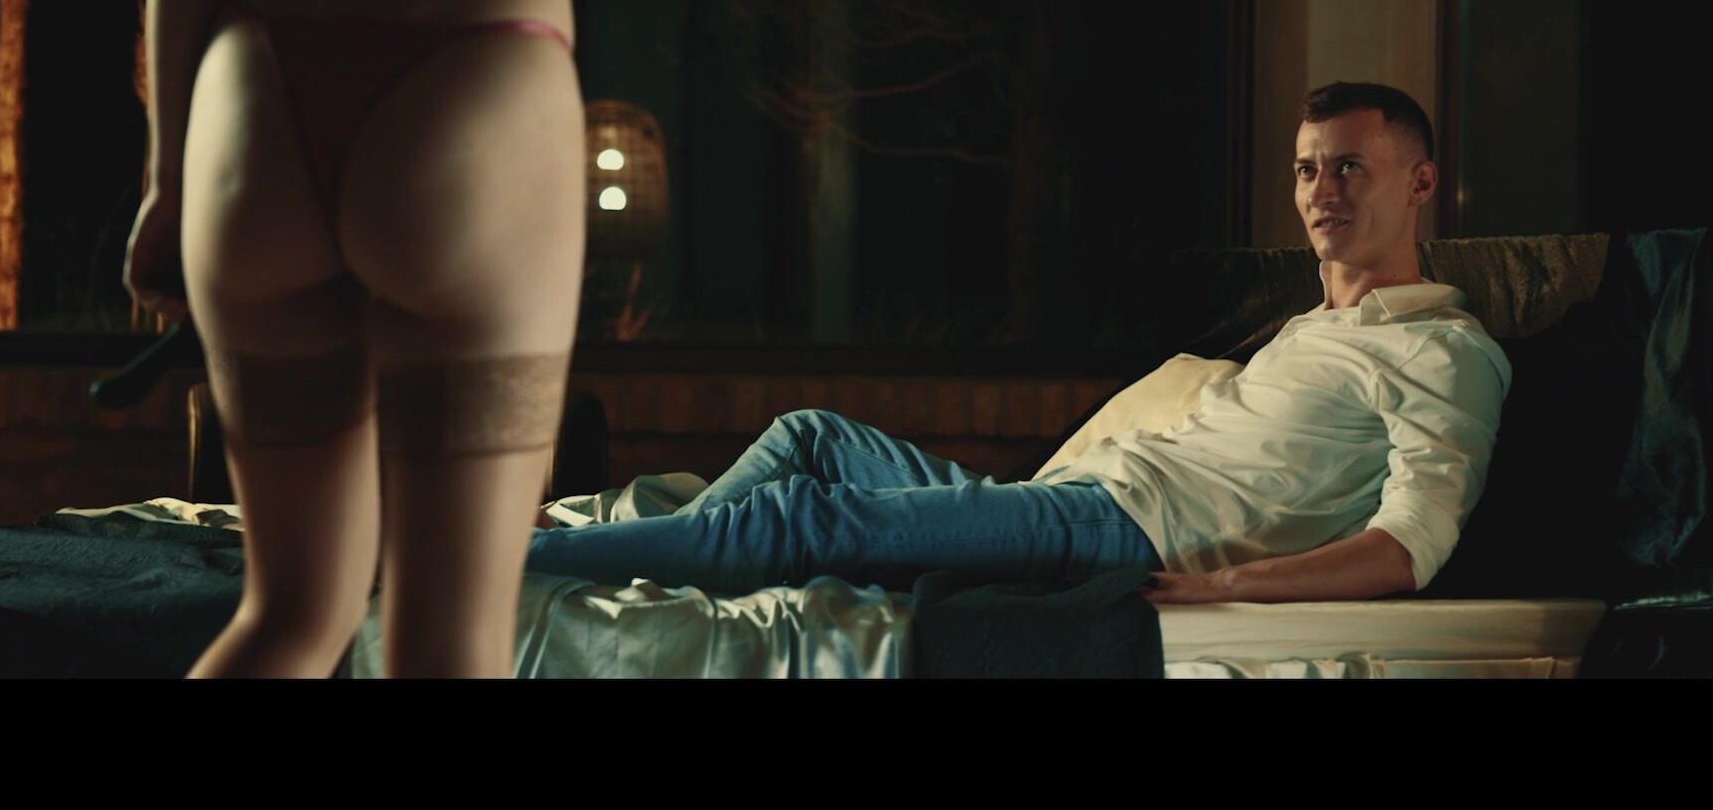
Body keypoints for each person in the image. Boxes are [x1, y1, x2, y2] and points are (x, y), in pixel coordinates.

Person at [527, 82, 1511, 604]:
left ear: (1421, 183)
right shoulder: (1310, 329)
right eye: (1306, 170)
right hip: (1078, 492)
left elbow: (1406, 547)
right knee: (811, 434)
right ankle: (665, 570)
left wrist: (1225, 584)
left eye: (1350, 167)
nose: (1322, 192)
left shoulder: (1443, 349)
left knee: (802, 517)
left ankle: (522, 564)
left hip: (1125, 533)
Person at [123, 0, 587, 677]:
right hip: (480, 70)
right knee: (452, 638)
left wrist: (168, 184)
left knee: (288, 616)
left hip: (259, 96)